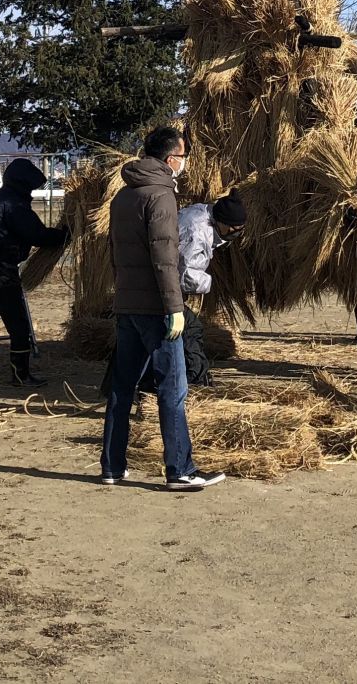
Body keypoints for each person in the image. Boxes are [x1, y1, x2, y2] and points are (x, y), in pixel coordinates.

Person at [100, 126, 225, 491]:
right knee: (173, 388)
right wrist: (175, 308)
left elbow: (114, 252)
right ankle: (180, 469)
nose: (185, 163)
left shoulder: (123, 196)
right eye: (184, 157)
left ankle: (112, 466)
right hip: (156, 309)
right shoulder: (162, 196)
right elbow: (165, 258)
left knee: (123, 387)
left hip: (127, 304)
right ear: (171, 159)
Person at [0, 157, 70, 388]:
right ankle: (20, 375)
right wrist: (64, 235)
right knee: (18, 325)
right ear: (23, 183)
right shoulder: (14, 205)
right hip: (3, 271)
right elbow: (37, 234)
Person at [176, 192, 248, 386]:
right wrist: (207, 284)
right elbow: (187, 274)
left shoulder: (205, 218)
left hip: (164, 285)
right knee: (191, 329)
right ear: (221, 222)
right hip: (164, 288)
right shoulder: (196, 232)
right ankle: (197, 379)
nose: (236, 233)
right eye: (234, 228)